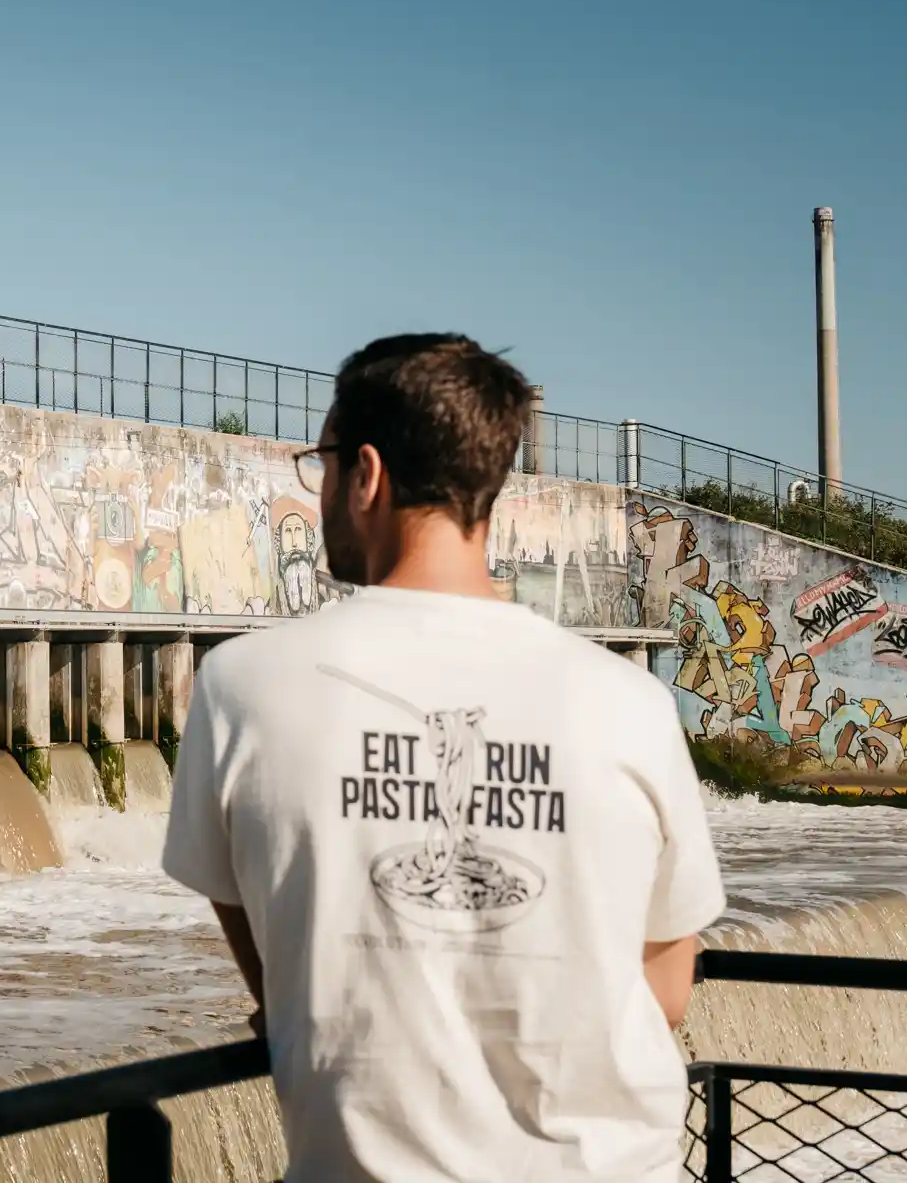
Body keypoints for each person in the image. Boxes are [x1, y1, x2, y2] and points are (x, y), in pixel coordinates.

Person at [162, 334, 723, 1181]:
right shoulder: (630, 703)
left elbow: (280, 974)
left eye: (324, 462)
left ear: (367, 475)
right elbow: (666, 993)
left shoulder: (239, 686)